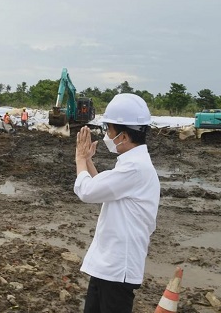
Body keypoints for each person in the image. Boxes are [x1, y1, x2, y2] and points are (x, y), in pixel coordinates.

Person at [74, 93, 160, 313]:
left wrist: (80, 159)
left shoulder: (135, 168)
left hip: (117, 270)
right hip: (107, 267)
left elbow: (87, 191)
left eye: (109, 130)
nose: (106, 135)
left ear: (123, 135)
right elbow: (103, 187)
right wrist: (89, 162)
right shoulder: (131, 165)